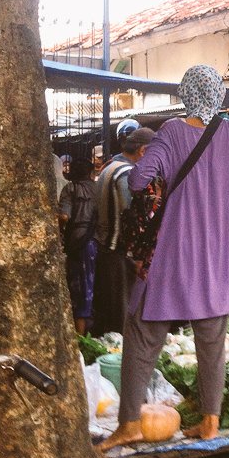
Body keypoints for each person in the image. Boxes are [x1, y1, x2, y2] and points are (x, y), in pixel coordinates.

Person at [98, 65, 229, 450]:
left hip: (171, 256)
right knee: (211, 343)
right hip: (217, 259)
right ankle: (210, 422)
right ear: (219, 95)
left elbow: (139, 180)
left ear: (185, 93)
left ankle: (129, 424)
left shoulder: (171, 132)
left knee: (141, 336)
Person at [91, 126, 155, 336]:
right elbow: (130, 216)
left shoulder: (109, 167)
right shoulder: (126, 173)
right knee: (121, 315)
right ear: (143, 151)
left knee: (110, 311)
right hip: (118, 251)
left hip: (105, 247)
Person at [58, 157, 99, 335]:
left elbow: (64, 217)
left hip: (79, 243)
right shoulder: (97, 188)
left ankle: (80, 337)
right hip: (98, 242)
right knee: (92, 286)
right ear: (90, 173)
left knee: (80, 289)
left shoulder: (70, 188)